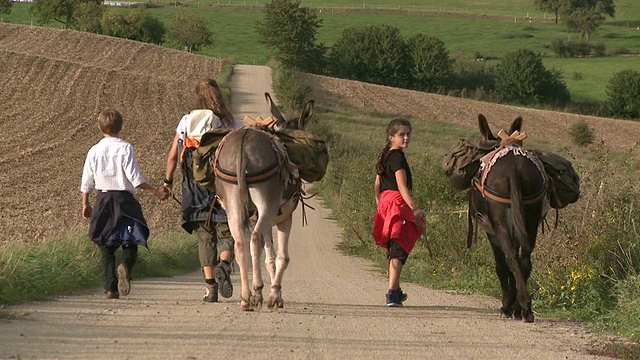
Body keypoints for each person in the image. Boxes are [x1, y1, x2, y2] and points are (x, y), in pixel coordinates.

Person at [163, 78, 242, 303]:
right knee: (227, 231)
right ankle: (225, 264)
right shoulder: (229, 121)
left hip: (194, 187)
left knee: (205, 237)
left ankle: (210, 290)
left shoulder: (186, 121)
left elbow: (172, 156)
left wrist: (167, 182)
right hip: (222, 186)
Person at [81, 109, 168, 299]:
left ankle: (110, 288)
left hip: (103, 201)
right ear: (121, 127)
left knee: (106, 246)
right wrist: (156, 191)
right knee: (131, 242)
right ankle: (126, 265)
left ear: (99, 127)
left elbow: (86, 181)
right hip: (124, 202)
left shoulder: (94, 150)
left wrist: (85, 204)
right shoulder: (125, 148)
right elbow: (135, 178)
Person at [371, 118, 425, 307]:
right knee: (398, 249)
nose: (406, 138)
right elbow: (402, 186)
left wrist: (380, 205)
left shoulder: (384, 155)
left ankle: (397, 289)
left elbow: (377, 185)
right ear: (391, 137)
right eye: (402, 134)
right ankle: (392, 294)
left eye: (408, 134)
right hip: (398, 204)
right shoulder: (398, 157)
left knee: (395, 247)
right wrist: (414, 208)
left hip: (386, 204)